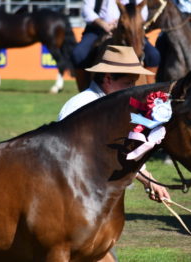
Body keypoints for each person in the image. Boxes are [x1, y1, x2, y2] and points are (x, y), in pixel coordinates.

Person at [58, 45, 171, 203]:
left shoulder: (120, 108)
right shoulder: (79, 106)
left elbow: (124, 152)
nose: (132, 89)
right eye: (128, 83)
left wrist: (149, 180)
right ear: (108, 79)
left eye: (133, 83)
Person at [72, 0, 161, 90]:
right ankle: (84, 91)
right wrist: (103, 24)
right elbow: (86, 9)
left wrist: (123, 23)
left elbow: (143, 13)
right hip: (98, 29)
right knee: (79, 54)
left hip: (130, 30)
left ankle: (150, 91)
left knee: (153, 55)